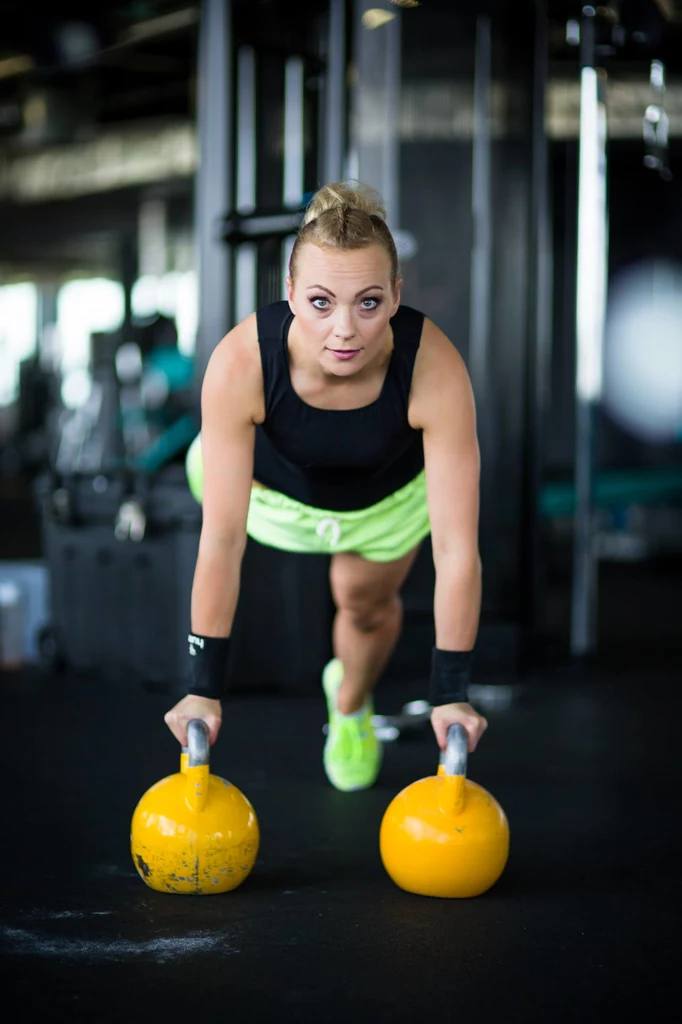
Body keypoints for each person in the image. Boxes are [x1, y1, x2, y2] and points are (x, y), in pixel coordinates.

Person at [165, 181, 488, 793]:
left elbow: (456, 551)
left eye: (368, 303)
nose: (345, 329)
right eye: (320, 302)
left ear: (396, 295)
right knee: (213, 480)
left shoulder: (433, 367)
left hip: (383, 503)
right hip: (268, 497)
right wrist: (201, 687)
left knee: (363, 605)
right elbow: (223, 540)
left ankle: (349, 706)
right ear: (289, 294)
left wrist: (452, 694)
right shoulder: (242, 361)